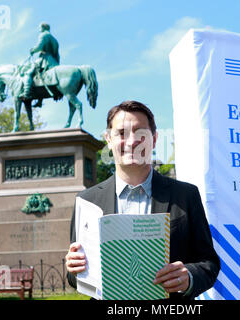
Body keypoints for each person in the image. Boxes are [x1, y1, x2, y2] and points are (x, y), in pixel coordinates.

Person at [65, 100, 220, 300]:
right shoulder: (87, 201)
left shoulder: (186, 195)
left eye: (141, 133)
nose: (132, 141)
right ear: (108, 140)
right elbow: (75, 276)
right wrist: (74, 269)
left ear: (154, 139)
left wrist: (189, 277)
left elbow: (209, 263)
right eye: (121, 133)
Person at [20, 22, 60, 100]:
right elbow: (57, 54)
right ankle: (39, 100)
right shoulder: (54, 39)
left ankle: (26, 93)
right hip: (53, 61)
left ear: (43, 28)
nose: (39, 30)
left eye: (40, 28)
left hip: (45, 59)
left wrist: (33, 50)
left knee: (29, 72)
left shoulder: (43, 35)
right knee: (39, 77)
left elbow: (39, 47)